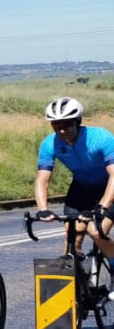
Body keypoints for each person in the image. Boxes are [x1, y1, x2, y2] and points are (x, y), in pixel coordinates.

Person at [33, 96, 114, 262]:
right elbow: (42, 180)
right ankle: (80, 282)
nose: (62, 130)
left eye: (67, 124)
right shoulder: (50, 144)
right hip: (82, 189)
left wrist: (102, 206)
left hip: (109, 187)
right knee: (72, 237)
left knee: (96, 232)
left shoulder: (101, 138)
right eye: (56, 125)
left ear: (78, 121)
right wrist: (42, 209)